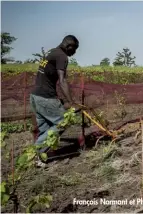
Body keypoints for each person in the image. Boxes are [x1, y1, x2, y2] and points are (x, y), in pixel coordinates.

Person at [30, 35, 81, 167]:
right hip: (46, 98)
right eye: (74, 49)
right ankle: (36, 151)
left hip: (35, 96)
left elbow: (50, 78)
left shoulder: (51, 52)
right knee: (63, 122)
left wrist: (63, 100)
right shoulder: (62, 56)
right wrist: (72, 103)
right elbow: (62, 80)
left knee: (46, 128)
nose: (74, 53)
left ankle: (38, 159)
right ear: (69, 46)